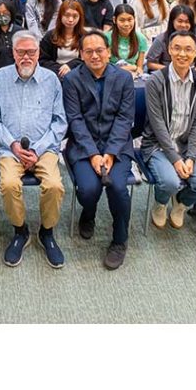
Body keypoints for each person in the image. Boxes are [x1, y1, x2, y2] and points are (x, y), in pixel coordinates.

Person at [0, 30, 67, 268]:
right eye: (21, 52)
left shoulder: (51, 80)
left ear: (38, 53)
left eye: (31, 52)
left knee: (54, 185)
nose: (26, 57)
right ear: (13, 53)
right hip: (9, 148)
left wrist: (39, 149)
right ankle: (20, 230)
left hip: (44, 148)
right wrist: (13, 144)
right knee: (10, 184)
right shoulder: (1, 77)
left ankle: (46, 231)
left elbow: (59, 121)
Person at [63, 28, 138, 270]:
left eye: (99, 50)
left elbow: (125, 119)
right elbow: (74, 119)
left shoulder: (124, 78)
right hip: (84, 146)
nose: (95, 55)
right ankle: (89, 212)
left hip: (116, 147)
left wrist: (110, 153)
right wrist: (94, 154)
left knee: (117, 188)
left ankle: (119, 240)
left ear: (108, 52)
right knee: (88, 190)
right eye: (89, 51)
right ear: (81, 54)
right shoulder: (72, 79)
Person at [142, 31, 196, 230]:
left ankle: (181, 203)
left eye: (188, 49)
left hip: (187, 145)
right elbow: (157, 125)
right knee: (169, 182)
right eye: (177, 48)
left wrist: (191, 156)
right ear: (169, 50)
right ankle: (160, 204)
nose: (182, 54)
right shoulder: (155, 81)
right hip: (159, 145)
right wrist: (175, 159)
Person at [144, 4, 196, 71]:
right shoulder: (161, 39)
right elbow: (150, 63)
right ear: (172, 21)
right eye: (180, 21)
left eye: (187, 22)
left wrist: (191, 74)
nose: (183, 25)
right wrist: (173, 71)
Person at [39, 0, 86, 77]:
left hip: (79, 76)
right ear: (60, 16)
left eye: (75, 16)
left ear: (80, 17)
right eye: (67, 15)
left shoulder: (85, 37)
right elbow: (42, 60)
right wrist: (60, 69)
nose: (70, 20)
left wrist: (70, 66)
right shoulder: (50, 36)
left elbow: (88, 59)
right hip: (54, 75)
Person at [106, 3, 147, 76]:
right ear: (114, 20)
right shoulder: (106, 38)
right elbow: (106, 66)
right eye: (122, 20)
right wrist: (132, 67)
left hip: (132, 76)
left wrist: (135, 69)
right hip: (112, 75)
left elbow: (139, 68)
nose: (126, 24)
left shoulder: (141, 39)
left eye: (130, 20)